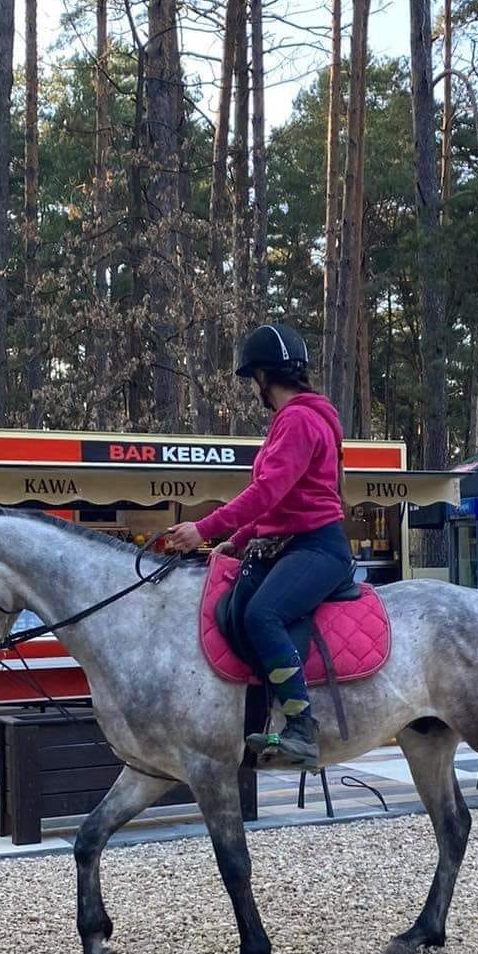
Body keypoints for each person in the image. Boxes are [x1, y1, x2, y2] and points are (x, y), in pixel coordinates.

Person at [162, 325, 350, 769]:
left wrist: (205, 528)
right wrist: (238, 539)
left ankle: (302, 728)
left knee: (262, 614)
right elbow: (281, 501)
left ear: (264, 378)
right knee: (237, 606)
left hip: (317, 548)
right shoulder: (296, 419)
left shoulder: (299, 420)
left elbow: (268, 491)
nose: (255, 389)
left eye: (254, 381)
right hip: (290, 543)